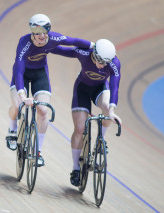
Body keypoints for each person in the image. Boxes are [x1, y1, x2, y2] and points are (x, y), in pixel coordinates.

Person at [5, 14, 94, 167]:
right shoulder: (24, 43)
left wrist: (94, 45)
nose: (42, 35)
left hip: (40, 74)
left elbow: (75, 41)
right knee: (17, 105)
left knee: (43, 111)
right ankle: (12, 128)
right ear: (32, 32)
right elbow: (19, 70)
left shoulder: (53, 38)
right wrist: (22, 94)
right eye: (37, 32)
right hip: (22, 75)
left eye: (45, 30)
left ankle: (38, 151)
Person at [50, 39, 122, 185]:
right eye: (100, 60)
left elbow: (114, 87)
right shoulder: (84, 52)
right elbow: (63, 50)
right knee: (79, 128)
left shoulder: (114, 63)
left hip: (100, 89)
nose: (102, 65)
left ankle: (100, 141)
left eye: (105, 62)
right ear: (94, 54)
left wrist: (112, 110)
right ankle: (76, 168)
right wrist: (45, 46)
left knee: (107, 109)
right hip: (82, 89)